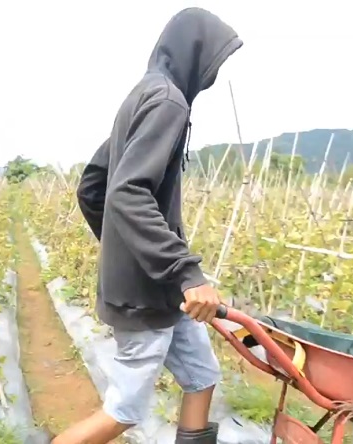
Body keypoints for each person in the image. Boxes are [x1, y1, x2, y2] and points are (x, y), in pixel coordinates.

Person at [53, 7, 242, 444]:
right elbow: (126, 192)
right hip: (150, 292)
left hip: (161, 290)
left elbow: (93, 187)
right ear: (196, 54)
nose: (214, 72)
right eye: (216, 59)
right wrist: (185, 271)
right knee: (124, 411)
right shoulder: (168, 101)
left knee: (201, 375)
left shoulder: (143, 94)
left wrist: (127, 251)